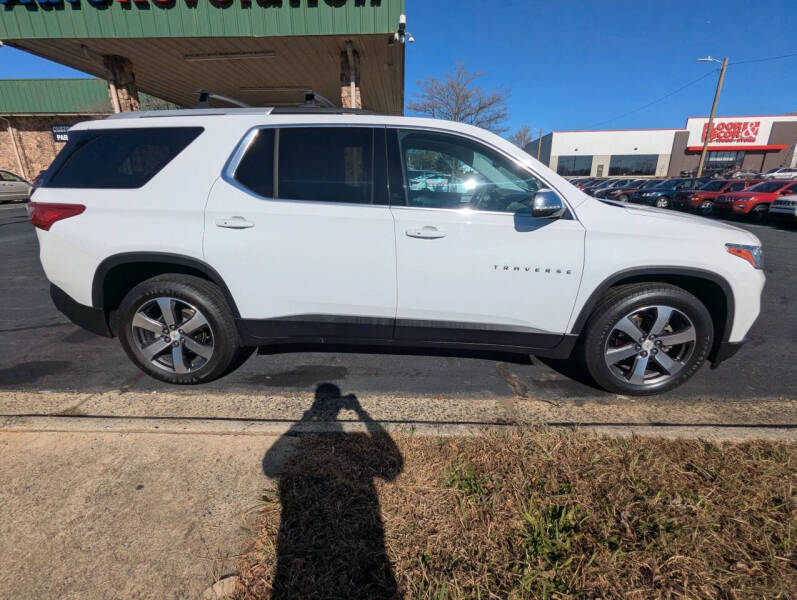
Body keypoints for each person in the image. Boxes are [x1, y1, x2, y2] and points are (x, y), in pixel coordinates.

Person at [262, 383, 404, 599]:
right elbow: (392, 467)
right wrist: (360, 412)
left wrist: (306, 417)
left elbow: (270, 468)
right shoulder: (356, 444)